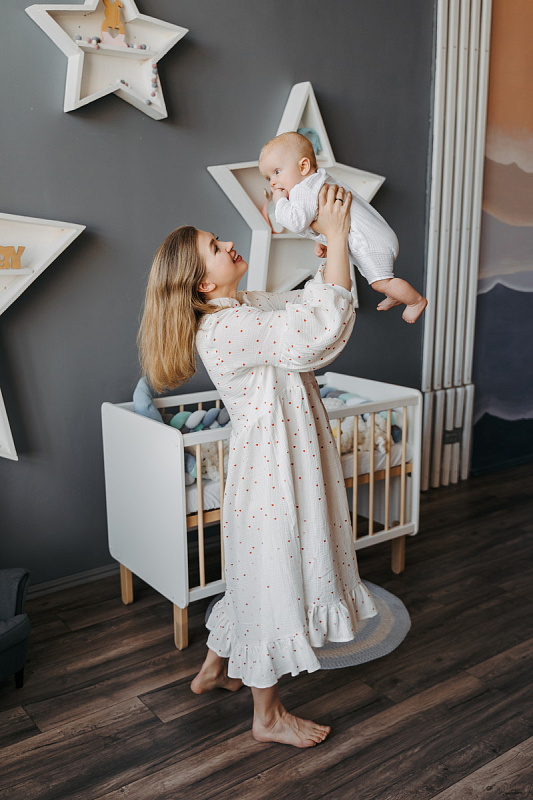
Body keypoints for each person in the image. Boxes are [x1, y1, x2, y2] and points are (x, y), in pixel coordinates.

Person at [137, 183, 378, 748]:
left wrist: (329, 259)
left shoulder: (242, 306)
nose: (228, 244)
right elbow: (317, 334)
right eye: (215, 246)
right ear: (203, 283)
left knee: (254, 573)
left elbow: (301, 307)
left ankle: (214, 669)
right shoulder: (226, 326)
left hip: (275, 457)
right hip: (275, 467)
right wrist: (338, 237)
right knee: (274, 577)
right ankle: (267, 717)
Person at [259, 131, 427, 323]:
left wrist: (279, 201)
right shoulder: (318, 182)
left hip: (370, 242)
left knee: (381, 282)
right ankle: (395, 294)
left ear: (303, 166)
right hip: (376, 237)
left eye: (277, 172)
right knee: (379, 280)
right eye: (268, 178)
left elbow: (296, 222)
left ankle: (415, 301)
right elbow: (325, 218)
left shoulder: (302, 189)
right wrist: (321, 239)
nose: (273, 182)